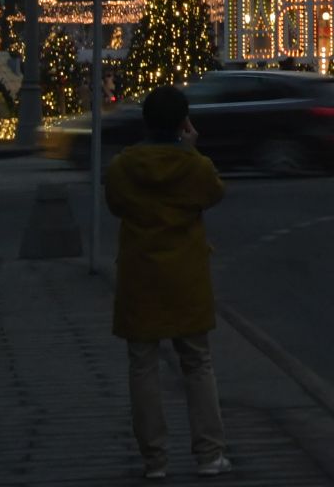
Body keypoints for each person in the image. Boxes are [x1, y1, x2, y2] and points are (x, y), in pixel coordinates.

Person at [105, 85, 231, 480]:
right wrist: (191, 149)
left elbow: (114, 205)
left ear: (145, 121)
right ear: (183, 123)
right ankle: (209, 455)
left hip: (139, 276)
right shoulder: (194, 167)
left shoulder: (124, 167)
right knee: (197, 363)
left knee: (142, 366)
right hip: (185, 278)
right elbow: (215, 193)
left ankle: (154, 460)